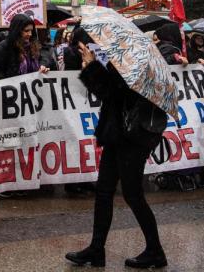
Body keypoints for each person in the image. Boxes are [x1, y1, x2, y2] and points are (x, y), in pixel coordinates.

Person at [65, 27, 167, 269]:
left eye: (84, 48)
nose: (85, 52)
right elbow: (111, 92)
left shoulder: (129, 59)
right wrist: (94, 67)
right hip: (116, 134)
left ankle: (155, 251)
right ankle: (96, 249)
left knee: (133, 194)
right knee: (103, 192)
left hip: (131, 137)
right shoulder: (117, 56)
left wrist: (91, 68)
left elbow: (112, 92)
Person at [0, 14, 50, 80]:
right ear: (17, 30)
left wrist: (43, 65)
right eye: (26, 31)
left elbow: (44, 56)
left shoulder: (33, 44)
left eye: (31, 30)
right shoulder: (4, 47)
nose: (30, 34)